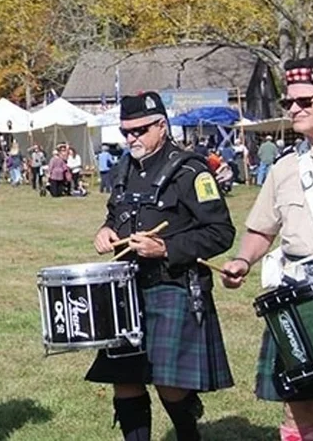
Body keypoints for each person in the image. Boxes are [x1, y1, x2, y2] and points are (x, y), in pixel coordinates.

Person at [92, 91, 235, 441]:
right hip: (124, 290)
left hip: (174, 285)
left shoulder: (190, 170)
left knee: (170, 383)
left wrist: (166, 247)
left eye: (139, 130)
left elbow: (221, 232)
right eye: (126, 131)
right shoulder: (124, 168)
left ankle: (188, 433)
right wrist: (106, 230)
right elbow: (116, 214)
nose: (131, 138)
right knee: (125, 378)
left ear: (161, 125)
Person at [219, 47, 313, 441]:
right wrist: (242, 260)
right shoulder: (285, 167)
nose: (294, 109)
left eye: (305, 101)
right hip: (299, 296)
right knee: (299, 410)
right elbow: (261, 230)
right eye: (289, 102)